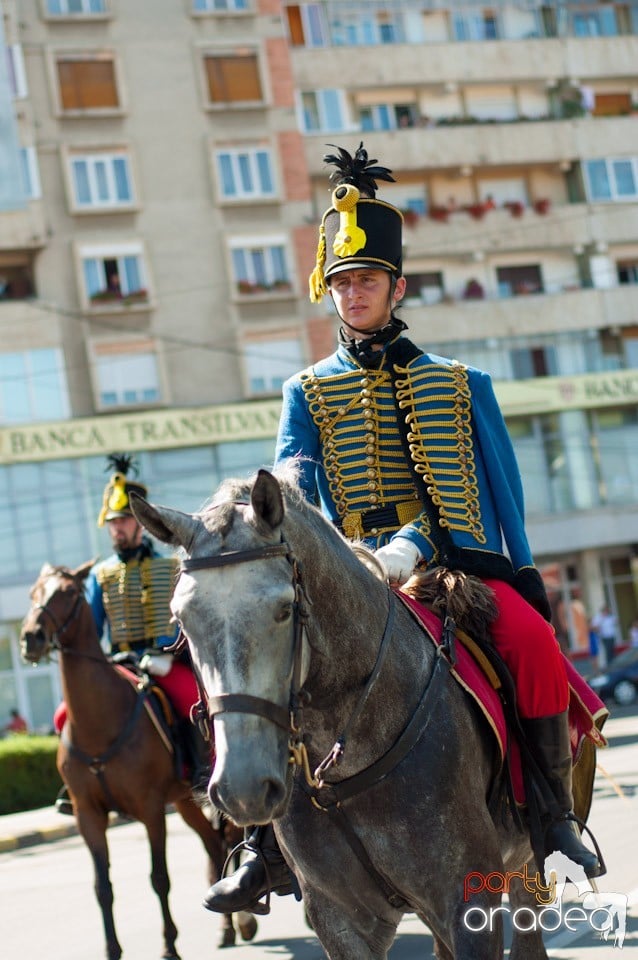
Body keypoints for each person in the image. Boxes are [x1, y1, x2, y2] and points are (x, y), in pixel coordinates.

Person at [202, 142, 603, 916]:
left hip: (447, 566)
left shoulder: (457, 383)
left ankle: (553, 815)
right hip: (344, 570)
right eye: (342, 282)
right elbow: (293, 475)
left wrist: (426, 549)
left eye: (367, 281)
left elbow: (499, 496)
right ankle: (256, 846)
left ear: (396, 287)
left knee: (530, 643)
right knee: (253, 663)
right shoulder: (306, 391)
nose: (354, 294)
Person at [55, 454, 210, 815]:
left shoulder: (170, 566)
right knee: (64, 716)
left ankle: (202, 772)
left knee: (194, 704)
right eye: (112, 522)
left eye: (124, 520)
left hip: (164, 662)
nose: (117, 529)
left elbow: (187, 618)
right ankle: (72, 785)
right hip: (121, 662)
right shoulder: (100, 574)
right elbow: (94, 629)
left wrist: (170, 654)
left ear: (140, 525)